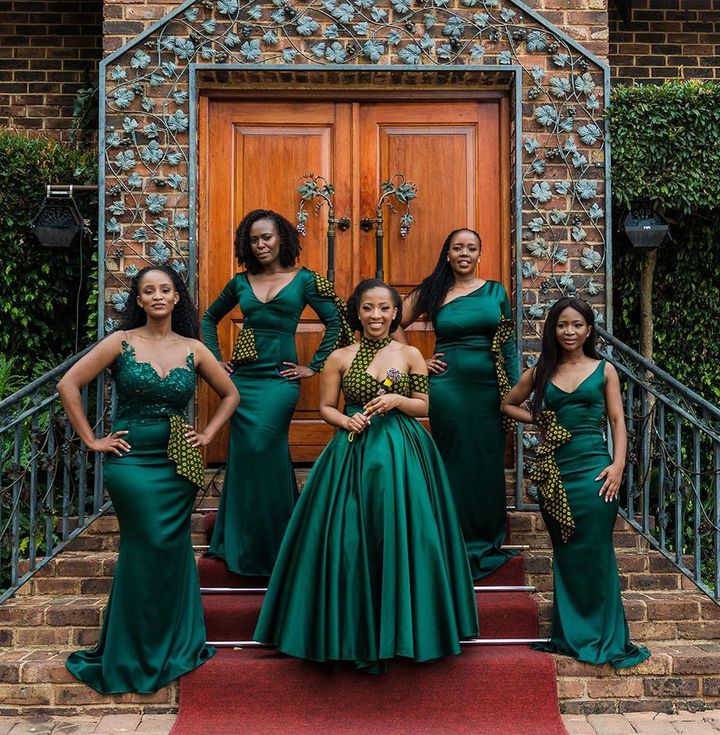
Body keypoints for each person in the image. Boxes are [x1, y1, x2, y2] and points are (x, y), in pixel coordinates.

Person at [254, 279, 478, 673]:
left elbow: (424, 405)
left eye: (385, 309)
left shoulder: (410, 354)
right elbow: (325, 407)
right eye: (368, 308)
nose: (376, 316)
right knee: (349, 538)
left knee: (407, 533)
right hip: (352, 452)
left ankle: (408, 630)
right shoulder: (339, 357)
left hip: (402, 452)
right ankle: (350, 630)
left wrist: (396, 399)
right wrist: (346, 419)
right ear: (357, 313)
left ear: (395, 314)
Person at [57, 265, 239, 693]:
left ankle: (175, 641)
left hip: (177, 466)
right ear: (138, 300)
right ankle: (131, 650)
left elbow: (231, 394)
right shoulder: (120, 342)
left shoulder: (194, 348)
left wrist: (209, 433)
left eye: (166, 289)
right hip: (132, 461)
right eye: (148, 291)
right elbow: (68, 384)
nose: (157, 296)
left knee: (172, 548)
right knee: (144, 546)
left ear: (178, 298)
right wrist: (92, 440)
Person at [201, 209, 353, 577]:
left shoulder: (305, 280)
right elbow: (207, 319)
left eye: (267, 237)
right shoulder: (240, 282)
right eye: (254, 240)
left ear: (282, 238)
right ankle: (241, 539)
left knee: (264, 449)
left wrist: (313, 365)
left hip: (280, 381)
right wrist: (216, 361)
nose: (261, 244)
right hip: (243, 381)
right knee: (245, 453)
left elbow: (338, 320)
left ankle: (277, 542)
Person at [501, 297, 650, 668]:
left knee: (596, 552)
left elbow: (618, 422)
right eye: (562, 325)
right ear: (553, 329)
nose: (569, 331)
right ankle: (570, 635)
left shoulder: (604, 370)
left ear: (588, 330)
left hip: (596, 471)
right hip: (556, 474)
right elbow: (507, 404)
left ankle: (606, 637)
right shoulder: (541, 371)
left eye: (577, 325)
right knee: (566, 555)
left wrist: (617, 466)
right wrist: (539, 420)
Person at [395, 228, 519, 580]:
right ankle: (451, 540)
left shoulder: (496, 291)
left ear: (480, 254)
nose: (464, 253)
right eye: (457, 247)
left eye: (471, 248)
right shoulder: (434, 289)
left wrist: (512, 392)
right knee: (454, 462)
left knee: (487, 464)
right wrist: (416, 357)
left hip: (489, 390)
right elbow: (393, 321)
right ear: (447, 254)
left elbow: (507, 345)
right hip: (447, 390)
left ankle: (486, 540)